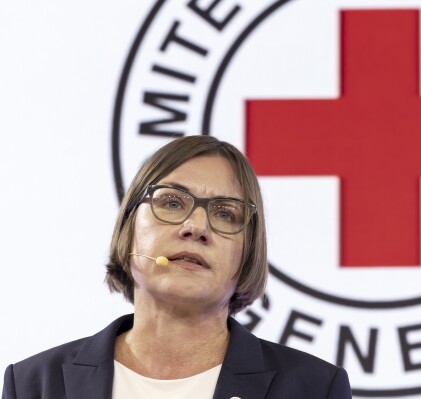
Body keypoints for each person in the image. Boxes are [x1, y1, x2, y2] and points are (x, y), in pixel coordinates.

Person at [2, 136, 352, 399]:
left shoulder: (315, 388)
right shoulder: (34, 384)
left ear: (248, 253)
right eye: (171, 201)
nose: (196, 226)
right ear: (128, 227)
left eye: (225, 213)